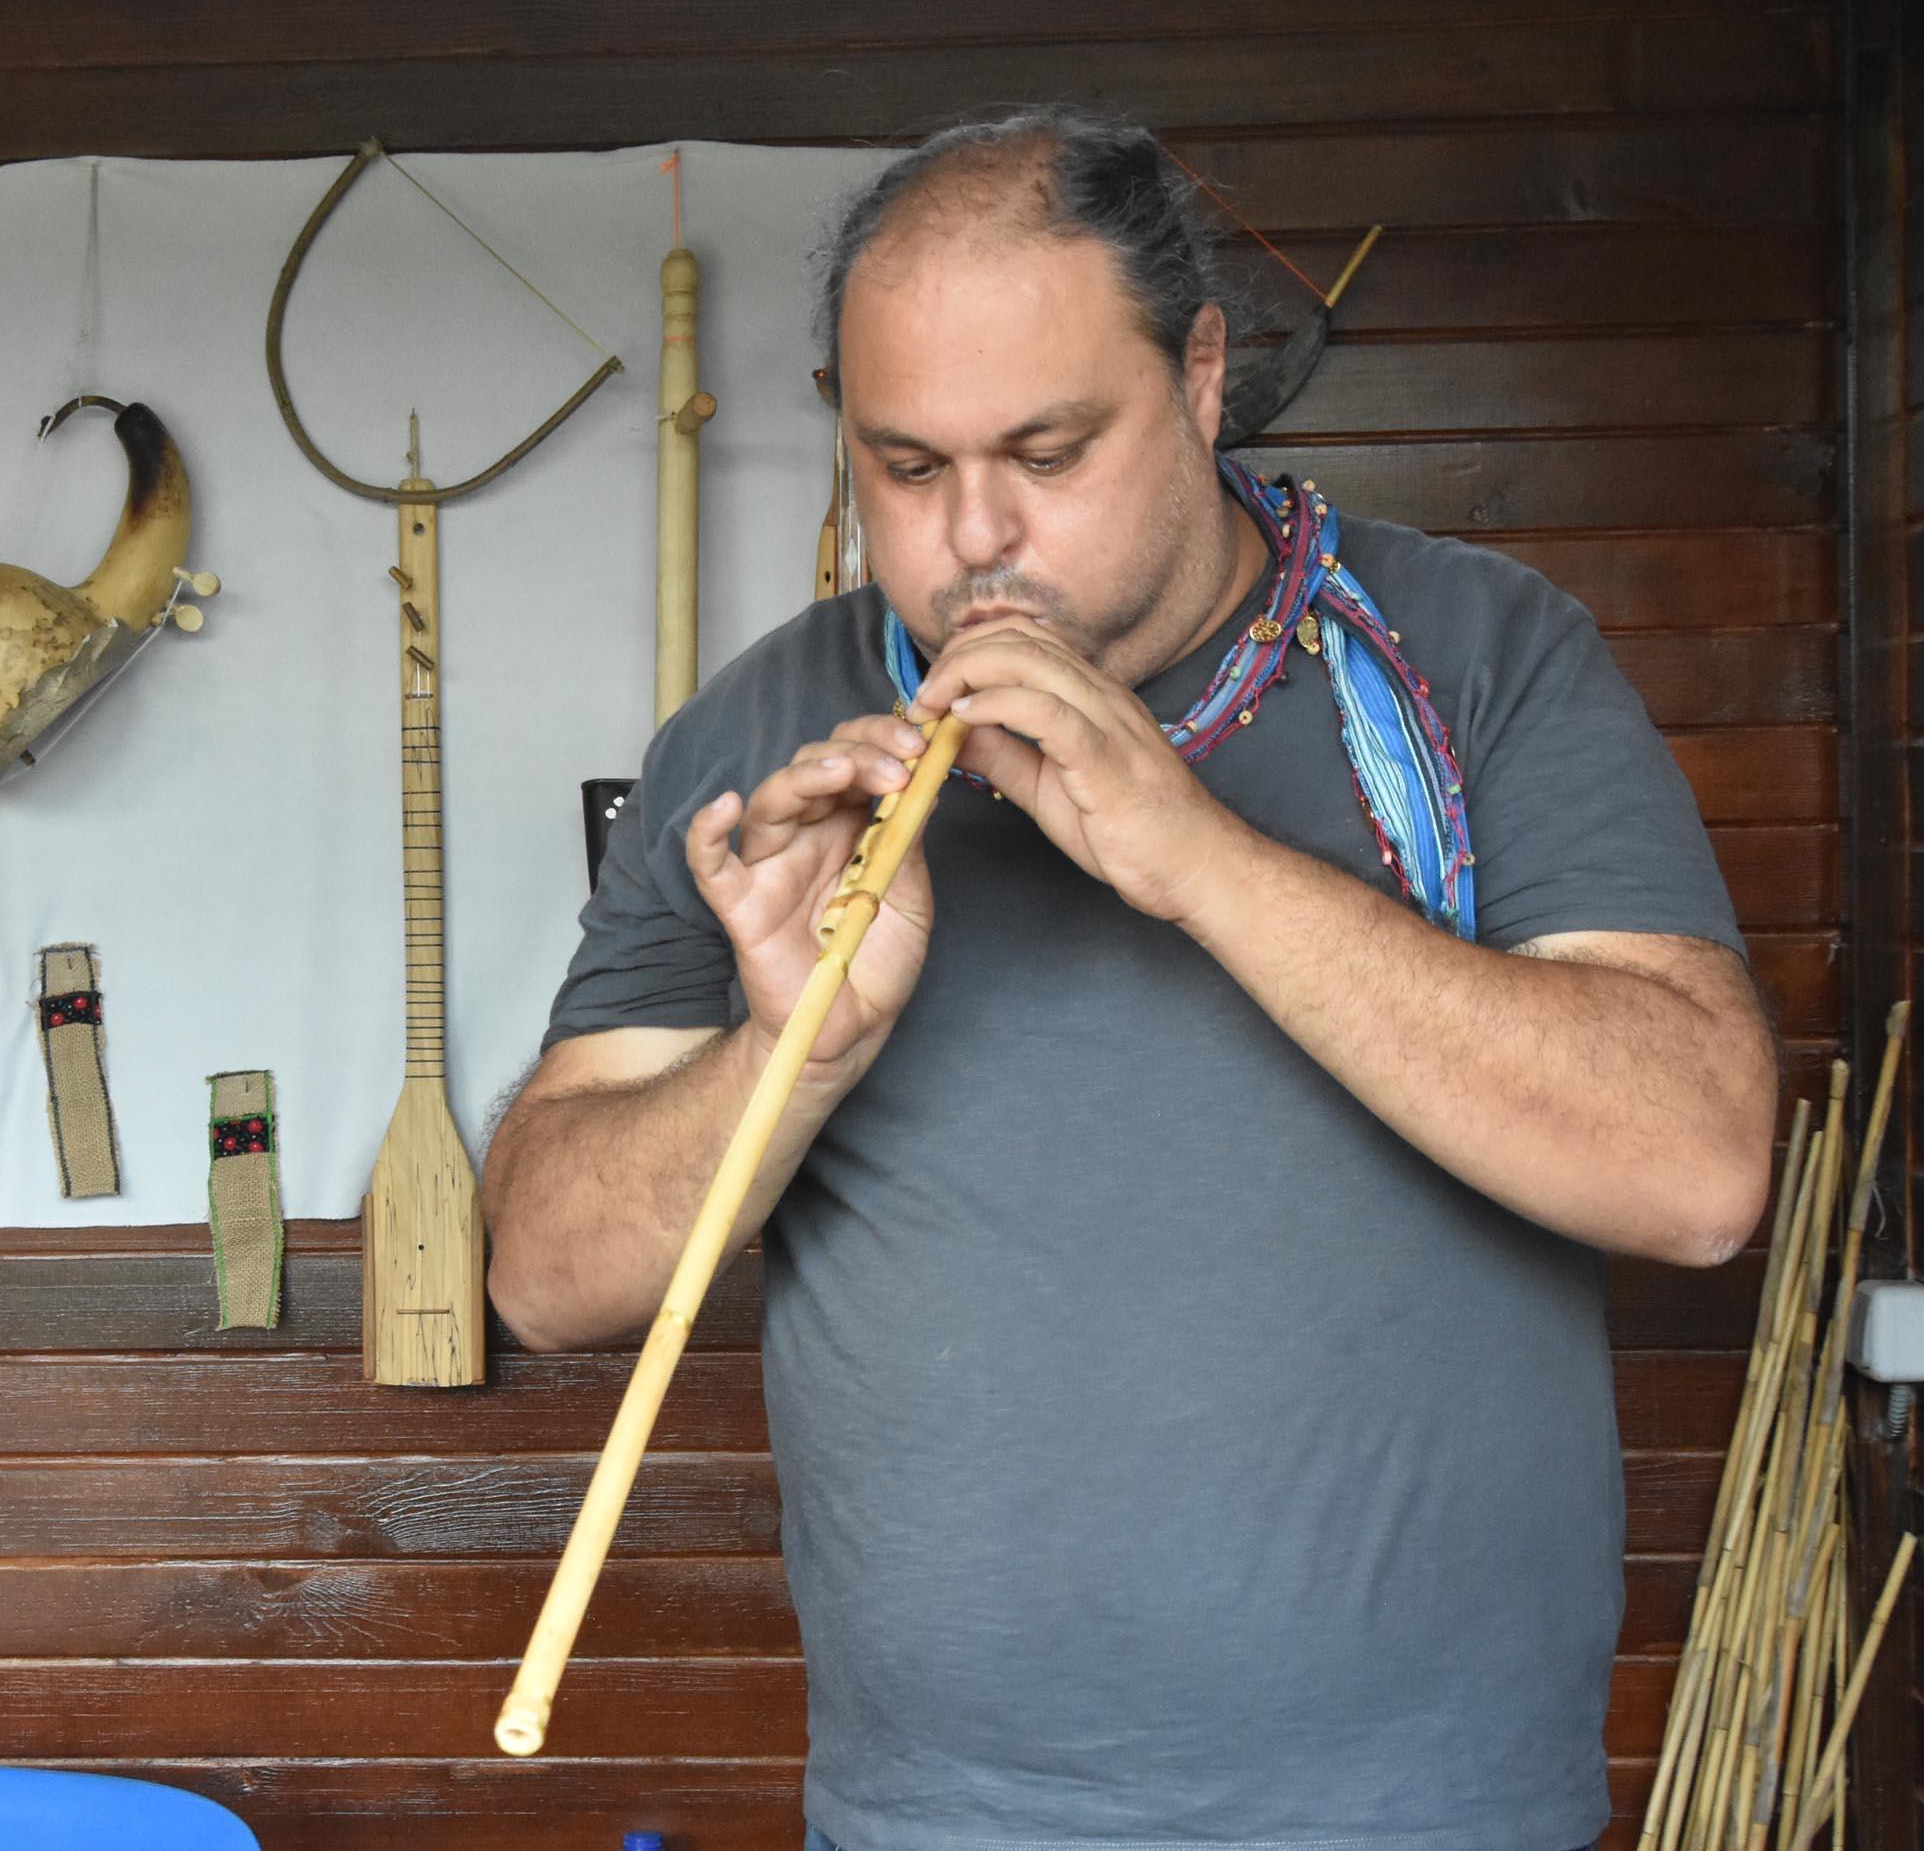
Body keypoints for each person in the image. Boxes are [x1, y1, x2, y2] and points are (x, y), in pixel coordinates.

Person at [482, 108, 1779, 1851]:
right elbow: (542, 1271)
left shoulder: (1478, 662)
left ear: (1204, 377)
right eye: (908, 468)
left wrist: (1209, 865)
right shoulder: (756, 743)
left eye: (1049, 448)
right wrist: (786, 1053)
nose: (977, 542)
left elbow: (1700, 1169)